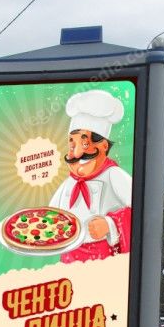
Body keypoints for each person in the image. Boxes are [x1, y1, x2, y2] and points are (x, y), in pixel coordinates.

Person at [48, 89, 132, 263]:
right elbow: (49, 214)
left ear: (103, 146)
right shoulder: (69, 183)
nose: (77, 153)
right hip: (69, 257)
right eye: (72, 145)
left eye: (85, 144)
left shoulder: (113, 175)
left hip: (103, 259)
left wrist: (110, 224)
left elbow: (142, 210)